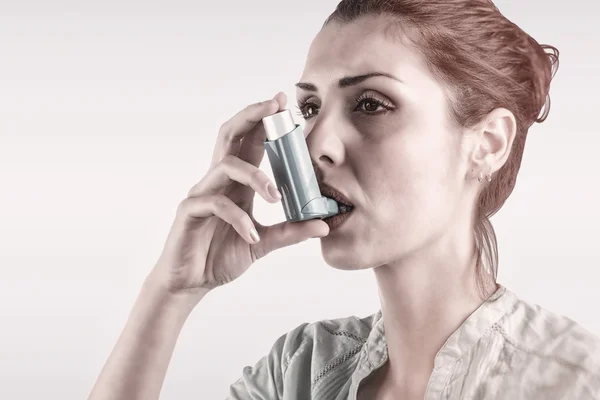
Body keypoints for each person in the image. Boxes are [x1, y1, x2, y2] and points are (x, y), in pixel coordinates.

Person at [88, 1, 600, 399]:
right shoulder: (300, 372)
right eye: (309, 107)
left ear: (487, 143)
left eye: (371, 104)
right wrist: (172, 293)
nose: (314, 146)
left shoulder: (578, 383)